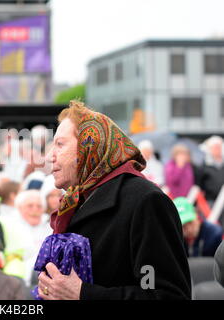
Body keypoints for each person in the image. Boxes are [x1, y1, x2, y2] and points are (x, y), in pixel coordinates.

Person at [37, 100, 191, 300]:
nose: (50, 156)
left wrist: (83, 294)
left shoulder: (146, 202)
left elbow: (167, 295)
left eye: (60, 144)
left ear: (89, 147)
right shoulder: (76, 201)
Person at [11, 190, 52, 286]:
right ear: (19, 208)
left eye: (39, 206)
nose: (35, 209)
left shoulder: (50, 226)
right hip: (18, 280)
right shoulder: (10, 225)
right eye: (30, 206)